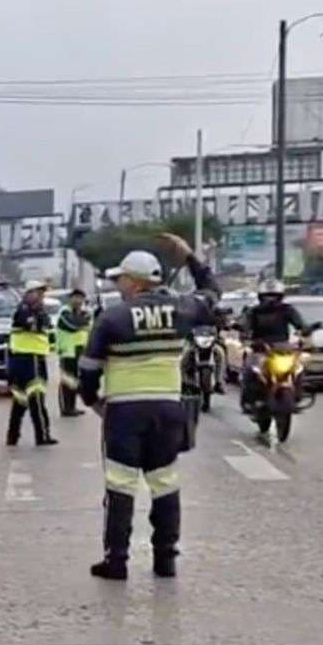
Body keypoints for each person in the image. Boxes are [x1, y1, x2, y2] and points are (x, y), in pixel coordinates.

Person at [79, 234, 216, 581]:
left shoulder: (113, 318)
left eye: (121, 278)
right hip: (168, 409)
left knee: (121, 485)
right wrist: (190, 258)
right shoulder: (182, 309)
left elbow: (89, 369)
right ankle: (165, 559)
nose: (118, 284)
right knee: (165, 482)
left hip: (125, 412)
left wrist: (92, 401)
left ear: (136, 282)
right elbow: (213, 293)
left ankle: (117, 561)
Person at [240, 280, 312, 411]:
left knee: (298, 368)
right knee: (250, 369)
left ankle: (297, 395)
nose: (270, 299)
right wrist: (242, 328)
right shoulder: (254, 311)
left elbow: (299, 322)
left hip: (282, 348)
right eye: (267, 296)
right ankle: (249, 400)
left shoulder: (287, 309)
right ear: (260, 297)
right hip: (260, 348)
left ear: (281, 296)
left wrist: (306, 328)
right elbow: (245, 323)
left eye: (274, 296)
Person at [6, 280, 58, 447]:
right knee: (36, 398)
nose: (41, 296)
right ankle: (42, 435)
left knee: (20, 400)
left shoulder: (38, 311)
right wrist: (40, 316)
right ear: (28, 294)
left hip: (27, 358)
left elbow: (47, 329)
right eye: (38, 293)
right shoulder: (24, 311)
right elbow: (35, 325)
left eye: (42, 293)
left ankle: (12, 436)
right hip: (30, 359)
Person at [54, 289, 92, 418]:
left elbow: (88, 324)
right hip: (67, 351)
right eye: (75, 298)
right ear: (70, 299)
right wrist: (82, 322)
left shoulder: (84, 312)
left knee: (75, 380)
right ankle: (66, 408)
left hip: (80, 350)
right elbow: (72, 325)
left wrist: (82, 321)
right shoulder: (64, 312)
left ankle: (72, 406)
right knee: (67, 380)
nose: (78, 301)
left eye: (80, 298)